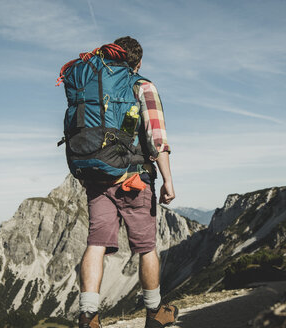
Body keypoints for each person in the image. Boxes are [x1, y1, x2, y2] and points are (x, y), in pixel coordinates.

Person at [77, 36, 178, 328]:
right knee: (146, 248)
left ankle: (89, 316)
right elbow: (156, 139)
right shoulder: (142, 86)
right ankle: (155, 312)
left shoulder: (94, 88)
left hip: (97, 178)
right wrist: (168, 181)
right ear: (138, 62)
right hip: (134, 180)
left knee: (95, 244)